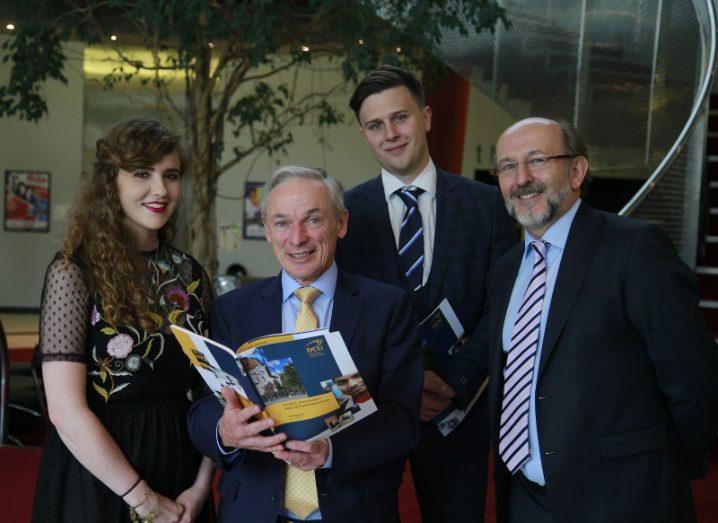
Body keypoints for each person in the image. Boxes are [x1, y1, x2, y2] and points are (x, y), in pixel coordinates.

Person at [489, 117, 718, 522]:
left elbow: (693, 378)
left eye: (536, 160)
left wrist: (661, 470)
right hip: (526, 499)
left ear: (577, 170)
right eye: (507, 166)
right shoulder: (506, 270)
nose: (521, 178)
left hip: (623, 500)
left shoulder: (635, 248)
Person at [187, 165, 422, 523]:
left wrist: (330, 451)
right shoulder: (233, 309)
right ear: (267, 230)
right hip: (252, 511)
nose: (296, 238)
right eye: (281, 222)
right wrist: (224, 430)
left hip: (354, 510)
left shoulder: (387, 306)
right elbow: (202, 407)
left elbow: (403, 420)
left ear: (340, 223)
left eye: (313, 220)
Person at [336, 65, 516, 521]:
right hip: (374, 415)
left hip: (459, 413)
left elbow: (504, 305)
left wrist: (454, 382)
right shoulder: (344, 214)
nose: (390, 134)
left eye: (401, 118)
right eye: (376, 125)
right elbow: (338, 313)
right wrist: (399, 388)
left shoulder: (488, 205)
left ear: (427, 118)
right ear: (364, 134)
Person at [32, 117, 215, 523]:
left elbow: (213, 394)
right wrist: (144, 499)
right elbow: (65, 410)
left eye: (171, 175)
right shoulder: (73, 273)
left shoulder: (189, 274)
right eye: (141, 174)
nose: (160, 190)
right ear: (110, 184)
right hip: (97, 478)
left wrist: (200, 490)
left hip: (181, 476)